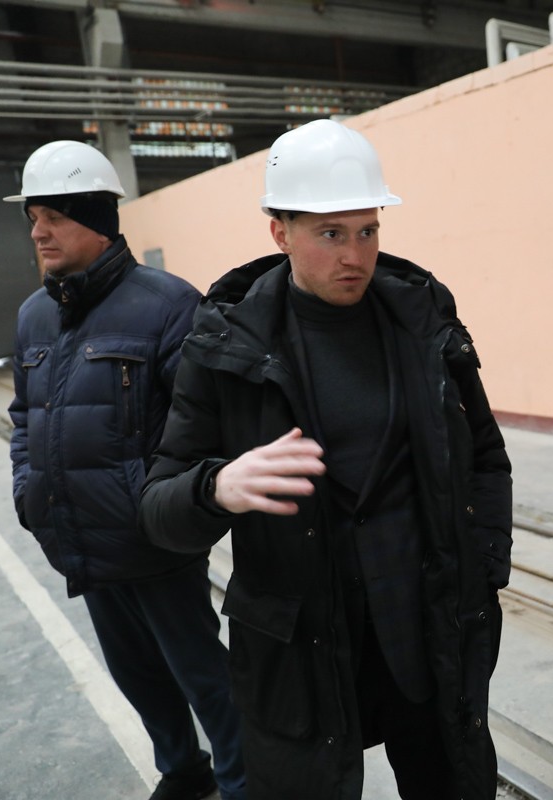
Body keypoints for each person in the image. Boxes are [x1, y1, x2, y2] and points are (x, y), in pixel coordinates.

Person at [136, 119, 513, 800]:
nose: (355, 255)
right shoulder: (225, 345)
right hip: (302, 651)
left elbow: (485, 454)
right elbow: (159, 509)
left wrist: (482, 570)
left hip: (426, 636)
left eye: (367, 231)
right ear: (279, 233)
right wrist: (216, 487)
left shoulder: (423, 319)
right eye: (330, 234)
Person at [5, 141, 246, 800]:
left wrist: (149, 501)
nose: (39, 232)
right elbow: (24, 418)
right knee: (136, 675)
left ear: (97, 219)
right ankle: (183, 769)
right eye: (33, 218)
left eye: (54, 216)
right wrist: (29, 491)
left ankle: (242, 781)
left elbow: (201, 428)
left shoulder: (169, 305)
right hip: (77, 535)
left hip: (153, 540)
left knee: (204, 675)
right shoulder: (33, 316)